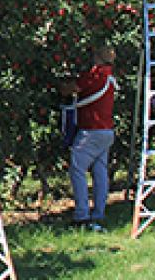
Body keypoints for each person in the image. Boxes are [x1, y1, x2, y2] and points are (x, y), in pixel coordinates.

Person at [60, 45, 117, 232]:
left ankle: (82, 215)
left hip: (91, 130)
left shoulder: (95, 75)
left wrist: (61, 85)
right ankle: (99, 213)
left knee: (77, 169)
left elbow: (71, 89)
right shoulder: (109, 76)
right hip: (107, 131)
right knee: (100, 171)